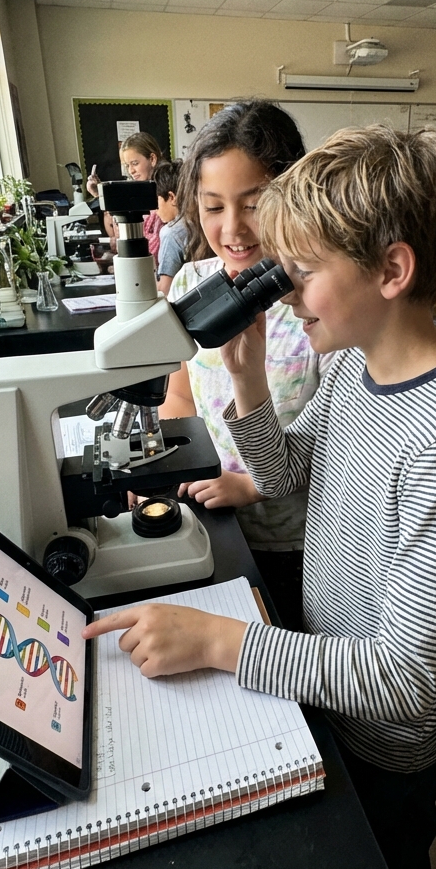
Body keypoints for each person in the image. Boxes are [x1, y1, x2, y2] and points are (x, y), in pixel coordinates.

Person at [86, 125, 436, 869]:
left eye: (303, 271)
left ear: (392, 270)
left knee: (383, 865)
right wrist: (248, 379)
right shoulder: (351, 366)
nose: (283, 292)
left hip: (388, 737)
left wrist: (219, 642)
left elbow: (408, 679)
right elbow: (282, 475)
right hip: (320, 676)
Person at [161, 100, 326, 629]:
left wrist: (250, 485)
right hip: (210, 518)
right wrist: (170, 468)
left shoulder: (319, 309)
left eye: (253, 204)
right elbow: (180, 395)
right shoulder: (190, 284)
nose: (233, 227)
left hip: (293, 540)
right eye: (213, 207)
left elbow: (334, 442)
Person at [86, 132, 163, 262]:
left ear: (152, 159)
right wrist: (101, 195)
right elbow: (116, 233)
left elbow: (155, 246)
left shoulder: (164, 191)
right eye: (127, 165)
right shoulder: (137, 190)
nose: (131, 171)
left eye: (135, 163)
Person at [152, 159, 187, 295]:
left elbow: (164, 290)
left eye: (156, 202)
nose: (155, 210)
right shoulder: (202, 222)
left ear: (172, 197)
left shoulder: (171, 233)